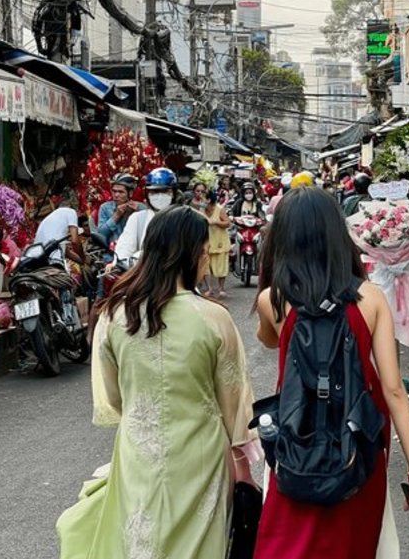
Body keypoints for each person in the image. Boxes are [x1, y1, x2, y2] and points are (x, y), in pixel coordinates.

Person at [58, 207, 256, 558]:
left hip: (139, 450)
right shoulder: (213, 319)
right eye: (205, 252)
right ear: (192, 254)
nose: (207, 260)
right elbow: (235, 406)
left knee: (141, 544)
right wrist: (243, 470)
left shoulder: (115, 314)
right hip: (202, 457)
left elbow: (115, 397)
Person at [252, 187, 409, 559]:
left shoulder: (273, 299)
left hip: (296, 442)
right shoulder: (370, 299)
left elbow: (269, 341)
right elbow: (394, 390)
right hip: (359, 449)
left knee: (288, 544)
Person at [114, 167, 179, 262]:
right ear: (147, 194)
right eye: (155, 192)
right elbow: (124, 250)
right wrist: (118, 263)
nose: (160, 196)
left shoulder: (184, 219)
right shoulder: (137, 219)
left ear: (174, 193)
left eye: (165, 191)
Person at [95, 173, 145, 247]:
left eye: (121, 192)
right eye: (114, 191)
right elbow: (101, 233)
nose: (116, 195)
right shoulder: (105, 208)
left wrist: (138, 212)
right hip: (111, 254)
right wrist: (116, 216)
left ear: (130, 193)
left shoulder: (141, 208)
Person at [34, 192, 85, 265]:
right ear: (71, 205)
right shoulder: (71, 212)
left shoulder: (50, 218)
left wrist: (81, 261)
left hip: (38, 259)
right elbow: (75, 241)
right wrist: (83, 258)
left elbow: (68, 253)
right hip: (53, 259)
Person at [204, 190, 232, 298]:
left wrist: (216, 222)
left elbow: (227, 223)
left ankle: (221, 288)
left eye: (203, 197)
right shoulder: (202, 210)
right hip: (207, 241)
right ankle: (209, 288)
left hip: (220, 241)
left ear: (209, 199)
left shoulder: (219, 209)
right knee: (206, 266)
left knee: (221, 265)